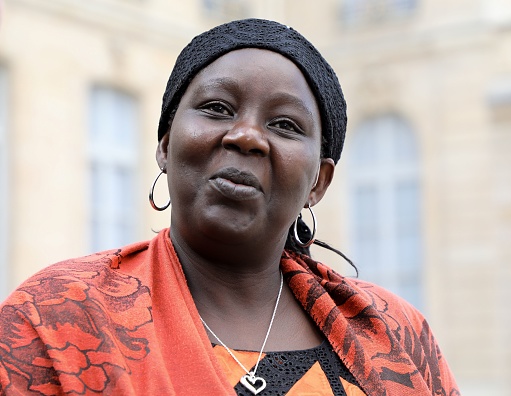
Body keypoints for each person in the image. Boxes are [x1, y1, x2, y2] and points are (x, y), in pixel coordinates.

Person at [0, 19, 460, 396]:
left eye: (284, 124)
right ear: (165, 145)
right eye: (218, 108)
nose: (246, 135)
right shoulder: (54, 317)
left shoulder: (398, 334)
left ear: (319, 182)